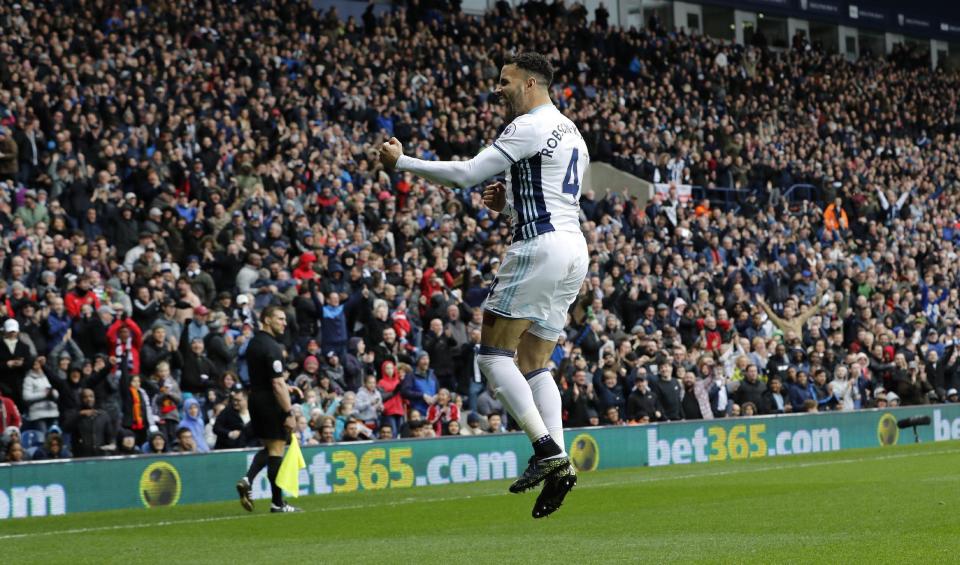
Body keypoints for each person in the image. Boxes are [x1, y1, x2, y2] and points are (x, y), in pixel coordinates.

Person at [381, 51, 588, 517]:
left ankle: (547, 450)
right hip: (574, 249)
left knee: (493, 356)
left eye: (505, 81)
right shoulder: (571, 131)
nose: (497, 88)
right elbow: (550, 192)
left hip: (539, 247)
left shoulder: (528, 125)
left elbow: (467, 175)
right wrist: (509, 206)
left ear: (531, 84)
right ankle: (562, 462)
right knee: (535, 362)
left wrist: (402, 162)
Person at [235, 306, 301, 513]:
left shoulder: (254, 343)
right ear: (266, 320)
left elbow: (265, 377)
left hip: (255, 398)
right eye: (280, 319)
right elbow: (276, 384)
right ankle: (276, 502)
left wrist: (284, 385)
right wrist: (289, 413)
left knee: (272, 447)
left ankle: (252, 482)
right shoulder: (272, 347)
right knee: (276, 450)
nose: (284, 322)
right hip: (270, 402)